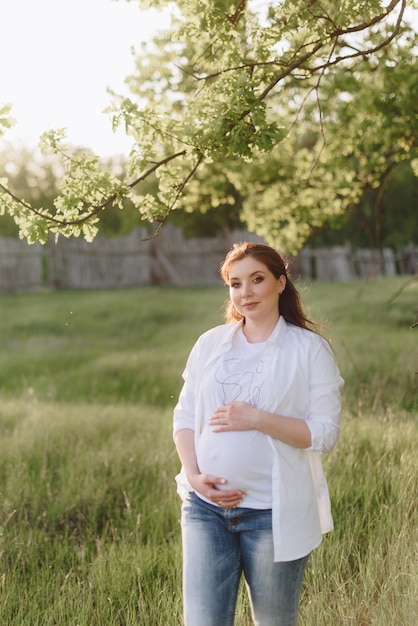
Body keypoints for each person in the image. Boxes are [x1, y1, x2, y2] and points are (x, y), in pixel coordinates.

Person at [173, 242, 344, 626]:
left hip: (271, 514)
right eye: (235, 284)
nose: (245, 292)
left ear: (280, 283)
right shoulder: (210, 344)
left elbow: (325, 433)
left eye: (256, 279)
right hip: (205, 509)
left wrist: (257, 418)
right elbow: (183, 415)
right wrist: (195, 477)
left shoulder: (309, 350)